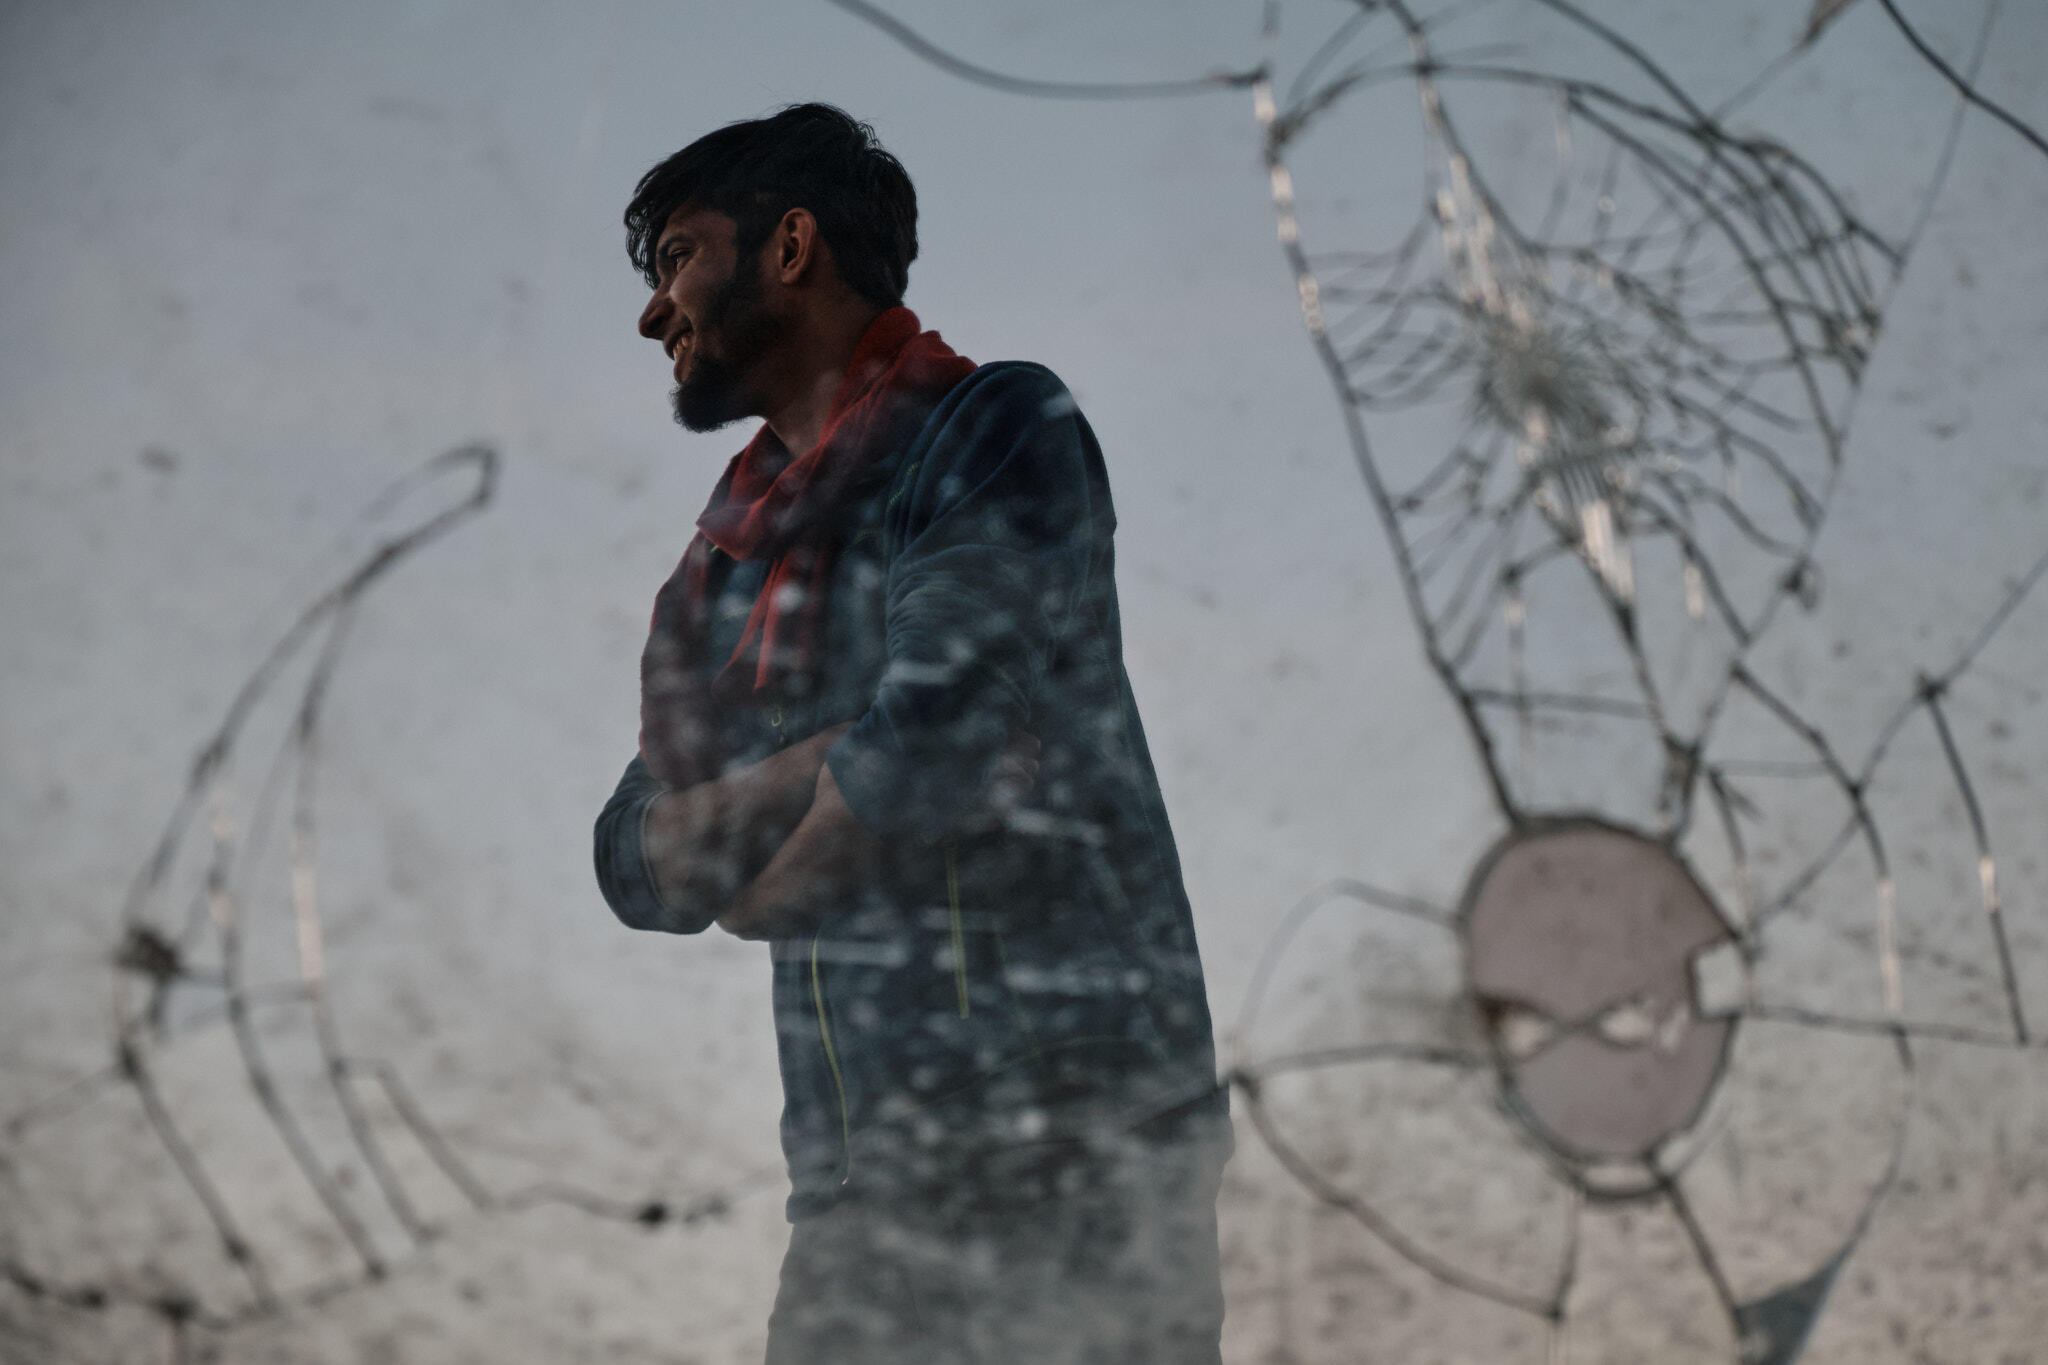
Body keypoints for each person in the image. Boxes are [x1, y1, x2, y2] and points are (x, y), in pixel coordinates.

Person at [592, 103, 1228, 1364]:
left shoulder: (992, 425)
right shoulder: (729, 570)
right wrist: (821, 766)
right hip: (852, 1188)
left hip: (1076, 1151)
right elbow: (630, 856)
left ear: (788, 247)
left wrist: (762, 877)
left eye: (677, 257)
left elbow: (928, 741)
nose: (654, 313)